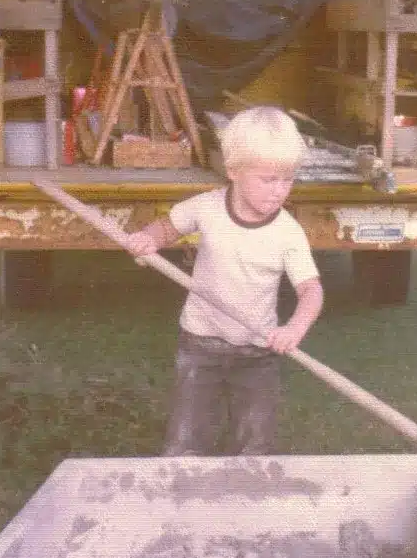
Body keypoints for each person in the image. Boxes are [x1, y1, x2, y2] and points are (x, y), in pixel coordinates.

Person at [123, 106, 324, 456]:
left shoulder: (287, 233)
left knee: (255, 445)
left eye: (287, 179)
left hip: (257, 352)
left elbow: (311, 290)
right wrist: (149, 240)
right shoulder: (207, 208)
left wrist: (294, 329)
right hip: (200, 345)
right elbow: (168, 227)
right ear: (233, 171)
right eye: (268, 179)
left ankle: (248, 503)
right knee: (185, 441)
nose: (279, 191)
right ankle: (180, 497)